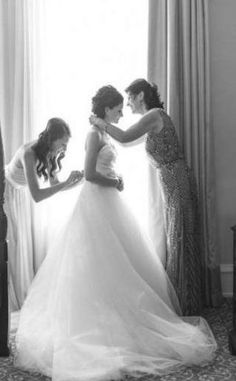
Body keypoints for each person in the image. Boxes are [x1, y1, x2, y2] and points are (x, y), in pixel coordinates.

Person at [15, 86, 216, 381]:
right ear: (107, 109)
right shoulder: (94, 135)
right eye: (118, 109)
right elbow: (92, 174)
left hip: (107, 202)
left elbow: (121, 143)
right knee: (99, 264)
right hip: (96, 200)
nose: (122, 113)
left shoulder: (105, 132)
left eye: (123, 108)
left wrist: (116, 179)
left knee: (118, 263)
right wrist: (117, 182)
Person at [90, 79, 203, 316]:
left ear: (141, 95)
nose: (128, 105)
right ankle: (186, 301)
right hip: (171, 181)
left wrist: (100, 122)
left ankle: (186, 303)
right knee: (177, 238)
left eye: (130, 99)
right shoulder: (153, 118)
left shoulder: (154, 114)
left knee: (180, 237)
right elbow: (126, 141)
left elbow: (124, 137)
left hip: (175, 179)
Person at [4, 117, 83, 311]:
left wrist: (75, 182)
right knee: (9, 244)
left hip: (19, 195)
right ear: (52, 138)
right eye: (63, 143)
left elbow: (55, 186)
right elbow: (38, 195)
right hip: (5, 192)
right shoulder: (29, 153)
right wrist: (66, 183)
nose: (65, 148)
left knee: (18, 244)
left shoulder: (48, 153)